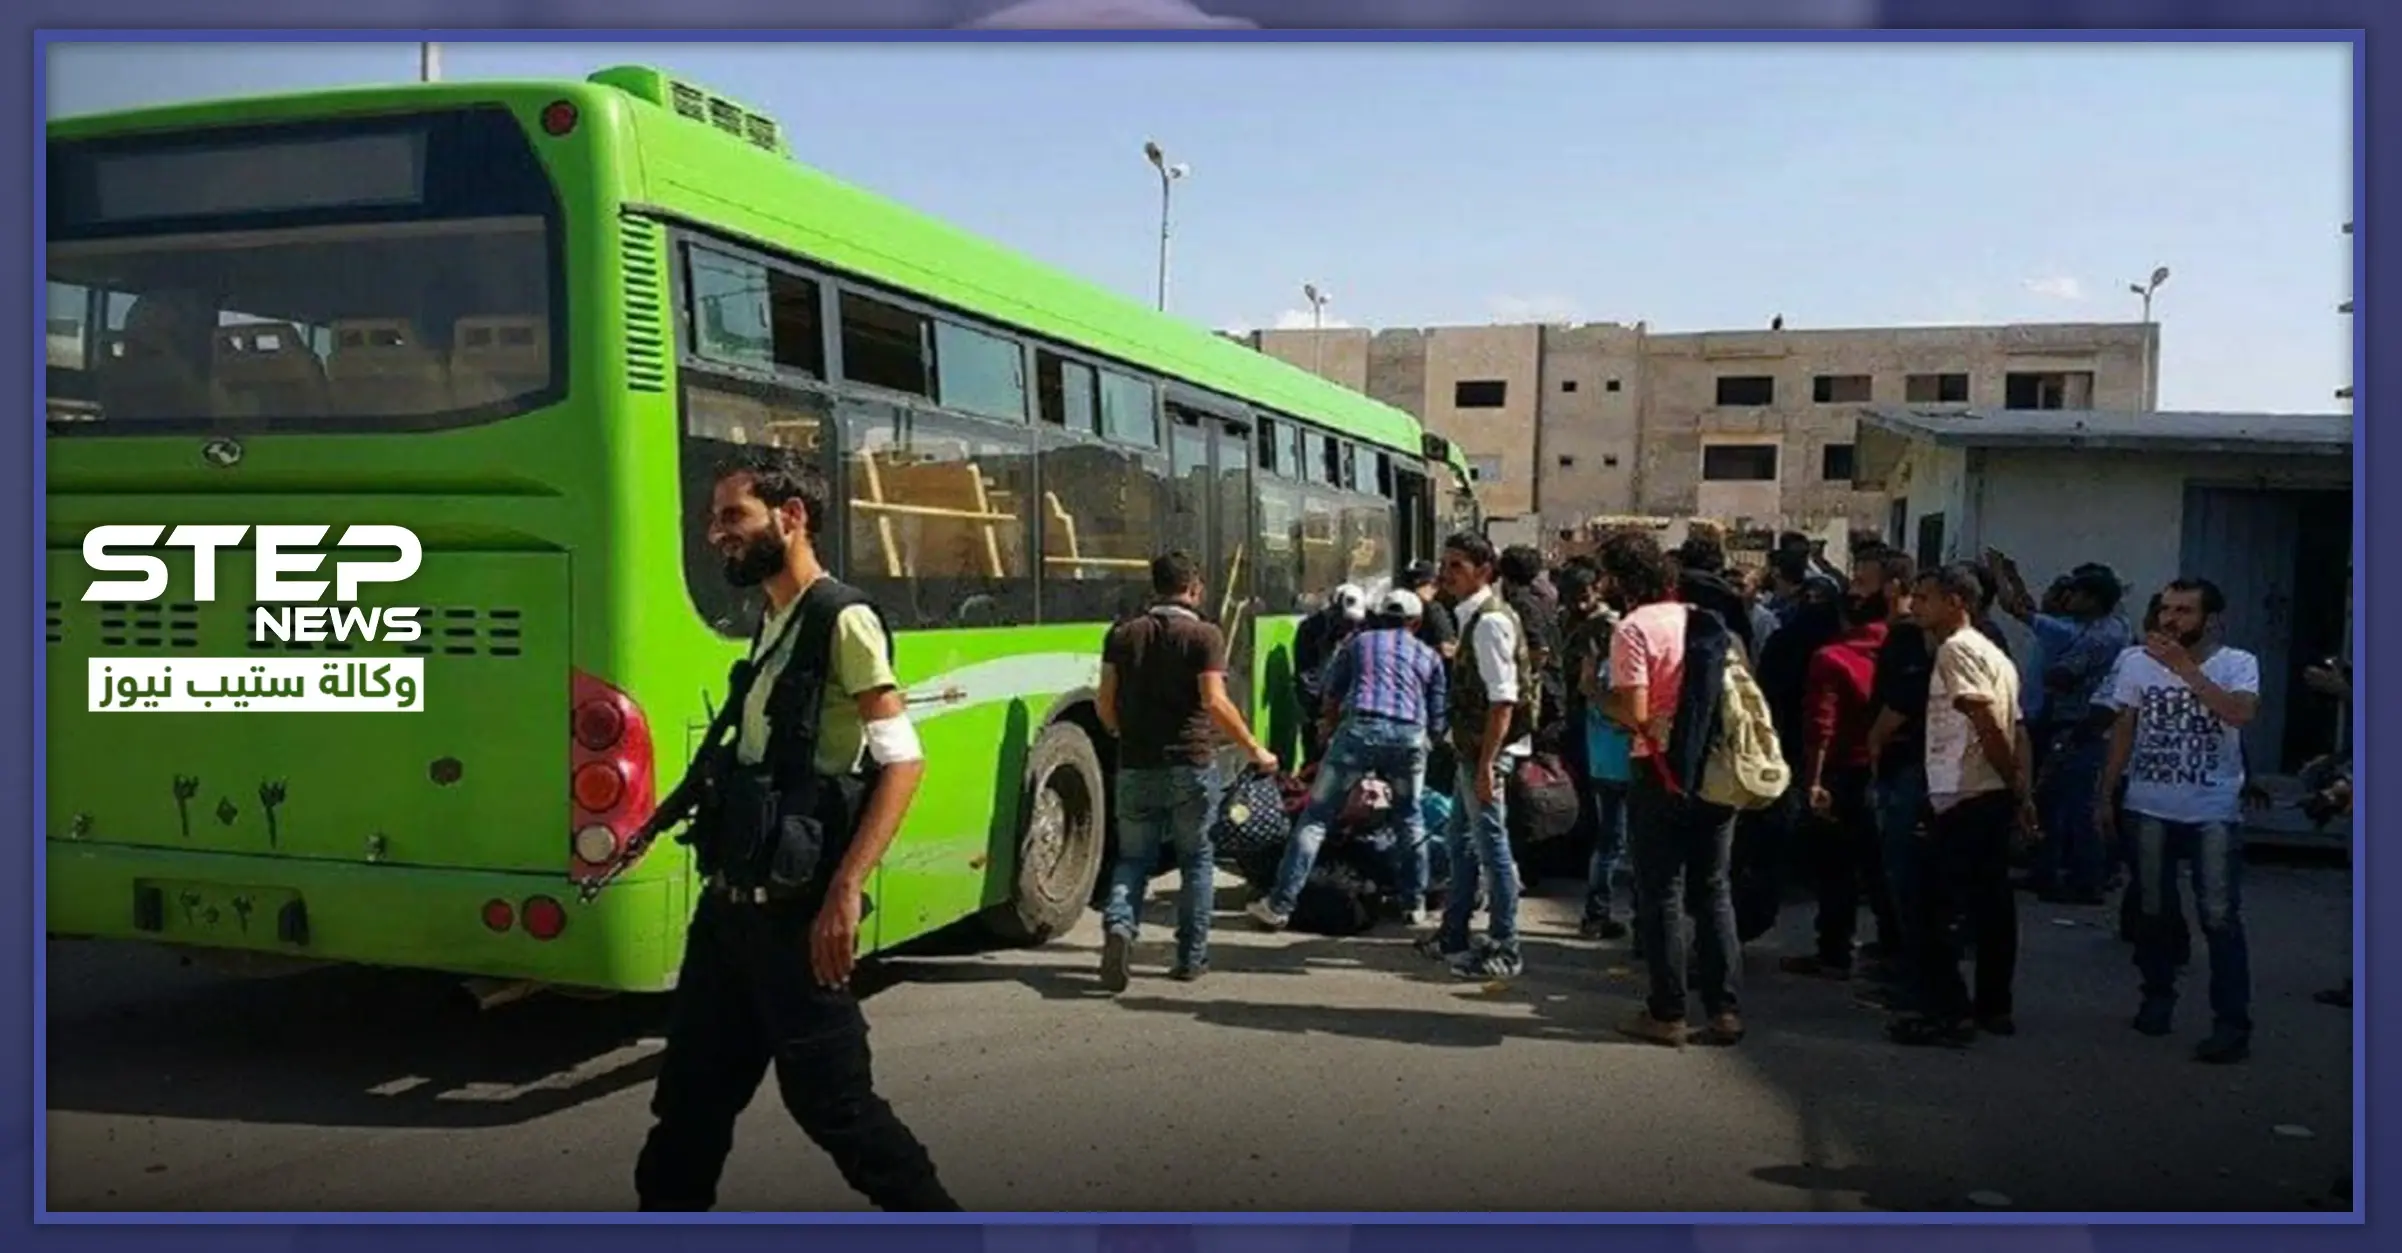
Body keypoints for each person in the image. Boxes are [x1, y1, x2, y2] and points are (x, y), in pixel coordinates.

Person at [633, 446, 957, 1212]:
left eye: (732, 517)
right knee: (687, 1111)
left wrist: (845, 889)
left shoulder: (840, 617)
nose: (717, 534)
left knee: (837, 1109)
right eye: (715, 520)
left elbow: (902, 761)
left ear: (792, 516)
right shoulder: (774, 616)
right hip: (728, 917)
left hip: (796, 919)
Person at [1096, 551, 1278, 990]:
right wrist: (1254, 749)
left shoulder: (1121, 634)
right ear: (1193, 588)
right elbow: (1214, 701)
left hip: (1137, 762)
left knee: (1134, 857)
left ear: (1154, 587)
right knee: (1196, 860)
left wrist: (1121, 732)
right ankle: (1190, 958)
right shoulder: (1205, 636)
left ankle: (1120, 924)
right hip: (1191, 763)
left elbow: (1105, 701)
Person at [2098, 577, 2261, 1064]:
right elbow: (2123, 728)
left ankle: (2232, 1023)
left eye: (2184, 611)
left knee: (2219, 916)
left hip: (2212, 808)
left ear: (2211, 620)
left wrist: (2184, 668)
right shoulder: (2134, 662)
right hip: (2149, 803)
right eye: (2167, 609)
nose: (2170, 620)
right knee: (2153, 909)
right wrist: (2105, 794)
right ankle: (2156, 995)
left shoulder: (2238, 663)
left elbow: (2238, 714)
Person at [1602, 529, 1745, 1047]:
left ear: (1622, 581)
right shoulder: (1705, 624)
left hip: (1658, 771)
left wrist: (1598, 698)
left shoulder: (1633, 629)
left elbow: (1635, 713)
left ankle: (1668, 1012)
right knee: (1714, 890)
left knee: (1661, 891)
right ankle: (1725, 1010)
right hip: (1717, 771)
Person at [1886, 563, 2034, 1049]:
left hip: (1965, 792)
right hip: (1983, 792)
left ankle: (1946, 1013)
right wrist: (2020, 789)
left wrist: (2011, 779)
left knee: (1935, 908)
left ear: (1956, 602)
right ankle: (1994, 1005)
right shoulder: (1995, 654)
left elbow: (1989, 721)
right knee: (1990, 904)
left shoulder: (1957, 650)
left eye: (1925, 598)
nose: (1915, 607)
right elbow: (2018, 728)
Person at [1249, 587, 1446, 931]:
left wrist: (1328, 728)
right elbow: (1438, 716)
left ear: (1379, 616)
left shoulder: (1359, 643)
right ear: (1414, 623)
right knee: (1409, 820)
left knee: (1317, 818)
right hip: (1410, 737)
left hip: (1360, 731)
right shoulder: (1428, 657)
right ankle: (1413, 905)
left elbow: (1331, 691)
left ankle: (1279, 905)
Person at [1414, 532, 1536, 980]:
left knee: (1492, 849)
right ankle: (1453, 935)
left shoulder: (1488, 623)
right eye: (1444, 564)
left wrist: (1486, 765)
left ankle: (1505, 946)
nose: (1446, 574)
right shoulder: (1472, 617)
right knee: (1462, 844)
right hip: (1473, 750)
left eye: (1457, 566)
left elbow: (1503, 700)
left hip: (1486, 754)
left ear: (1484, 572)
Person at [1781, 576, 1894, 980]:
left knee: (1836, 867)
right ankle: (1893, 948)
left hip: (1844, 770)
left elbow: (1821, 725)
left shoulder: (1832, 658)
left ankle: (1834, 949)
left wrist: (1813, 779)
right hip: (1890, 769)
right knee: (1883, 867)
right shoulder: (1900, 648)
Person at [1561, 561, 1632, 940]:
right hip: (1626, 758)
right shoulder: (1618, 673)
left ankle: (1597, 911)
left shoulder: (1591, 665)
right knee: (1622, 842)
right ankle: (1603, 913)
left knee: (1609, 840)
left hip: (1602, 755)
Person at [1292, 583, 1368, 765]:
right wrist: (1319, 714)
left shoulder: (1361, 634)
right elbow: (1306, 675)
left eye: (1354, 623)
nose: (1349, 627)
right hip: (1319, 709)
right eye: (1346, 621)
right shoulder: (1310, 631)